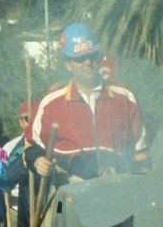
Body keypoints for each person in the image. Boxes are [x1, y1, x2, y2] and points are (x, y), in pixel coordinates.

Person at [27, 23, 145, 184]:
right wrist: (37, 161)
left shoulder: (124, 98)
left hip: (118, 187)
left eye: (92, 56)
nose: (88, 62)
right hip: (70, 189)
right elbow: (32, 146)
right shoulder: (51, 104)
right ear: (68, 65)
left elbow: (141, 152)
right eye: (80, 58)